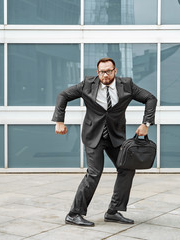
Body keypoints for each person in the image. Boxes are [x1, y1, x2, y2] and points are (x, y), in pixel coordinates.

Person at [52, 58, 157, 227]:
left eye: (108, 71)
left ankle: (113, 211)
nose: (105, 75)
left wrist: (146, 124)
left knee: (127, 169)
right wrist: (59, 121)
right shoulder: (87, 84)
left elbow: (150, 98)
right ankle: (74, 213)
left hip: (115, 136)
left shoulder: (127, 85)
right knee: (94, 173)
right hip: (93, 135)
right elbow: (63, 95)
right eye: (101, 71)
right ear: (97, 72)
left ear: (115, 71)